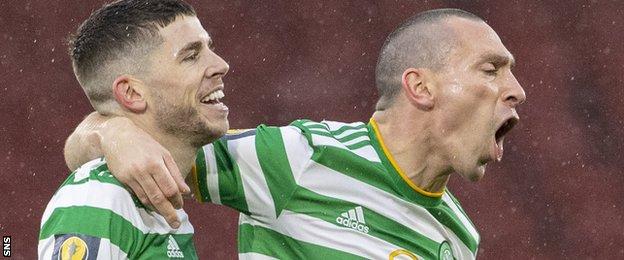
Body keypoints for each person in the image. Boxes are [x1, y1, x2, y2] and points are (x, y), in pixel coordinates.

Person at [64, 8, 526, 259]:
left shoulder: (461, 236)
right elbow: (156, 151)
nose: (517, 92)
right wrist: (112, 134)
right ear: (420, 87)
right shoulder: (300, 159)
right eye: (491, 69)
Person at [38, 0, 230, 258]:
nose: (221, 64)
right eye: (191, 56)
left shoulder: (158, 188)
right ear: (131, 92)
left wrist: (109, 130)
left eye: (210, 47)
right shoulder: (100, 197)